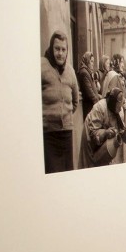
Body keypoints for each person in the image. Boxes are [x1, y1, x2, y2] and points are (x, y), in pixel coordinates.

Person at [41, 30, 80, 174]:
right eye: (57, 49)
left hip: (66, 134)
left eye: (63, 50)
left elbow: (75, 101)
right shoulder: (42, 66)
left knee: (67, 172)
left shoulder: (70, 71)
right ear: (51, 48)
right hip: (48, 135)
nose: (60, 53)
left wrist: (65, 115)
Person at [79, 87, 126, 169]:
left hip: (103, 144)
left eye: (120, 108)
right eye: (118, 108)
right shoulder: (99, 108)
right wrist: (105, 132)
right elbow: (93, 132)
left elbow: (119, 128)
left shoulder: (116, 108)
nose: (119, 110)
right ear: (113, 103)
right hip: (90, 141)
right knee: (91, 166)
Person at [77, 51, 101, 120]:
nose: (93, 64)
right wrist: (97, 103)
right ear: (87, 61)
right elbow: (89, 92)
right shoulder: (84, 72)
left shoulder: (87, 71)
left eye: (93, 61)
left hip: (92, 106)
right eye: (91, 61)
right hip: (89, 107)